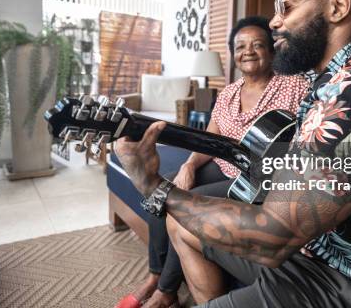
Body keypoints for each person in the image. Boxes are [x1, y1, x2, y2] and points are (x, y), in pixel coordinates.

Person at [115, 0, 351, 308]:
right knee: (182, 226)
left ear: (337, 7)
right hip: (321, 251)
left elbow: (270, 237)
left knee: (190, 214)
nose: (273, 22)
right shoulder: (335, 81)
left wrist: (152, 186)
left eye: (285, 5)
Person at [115, 16, 309, 308]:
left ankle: (165, 292)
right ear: (233, 54)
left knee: (180, 202)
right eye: (241, 46)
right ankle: (155, 275)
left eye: (258, 45)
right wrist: (189, 165)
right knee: (162, 186)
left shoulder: (294, 86)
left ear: (271, 50)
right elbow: (211, 139)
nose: (249, 51)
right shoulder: (229, 92)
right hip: (225, 166)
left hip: (259, 181)